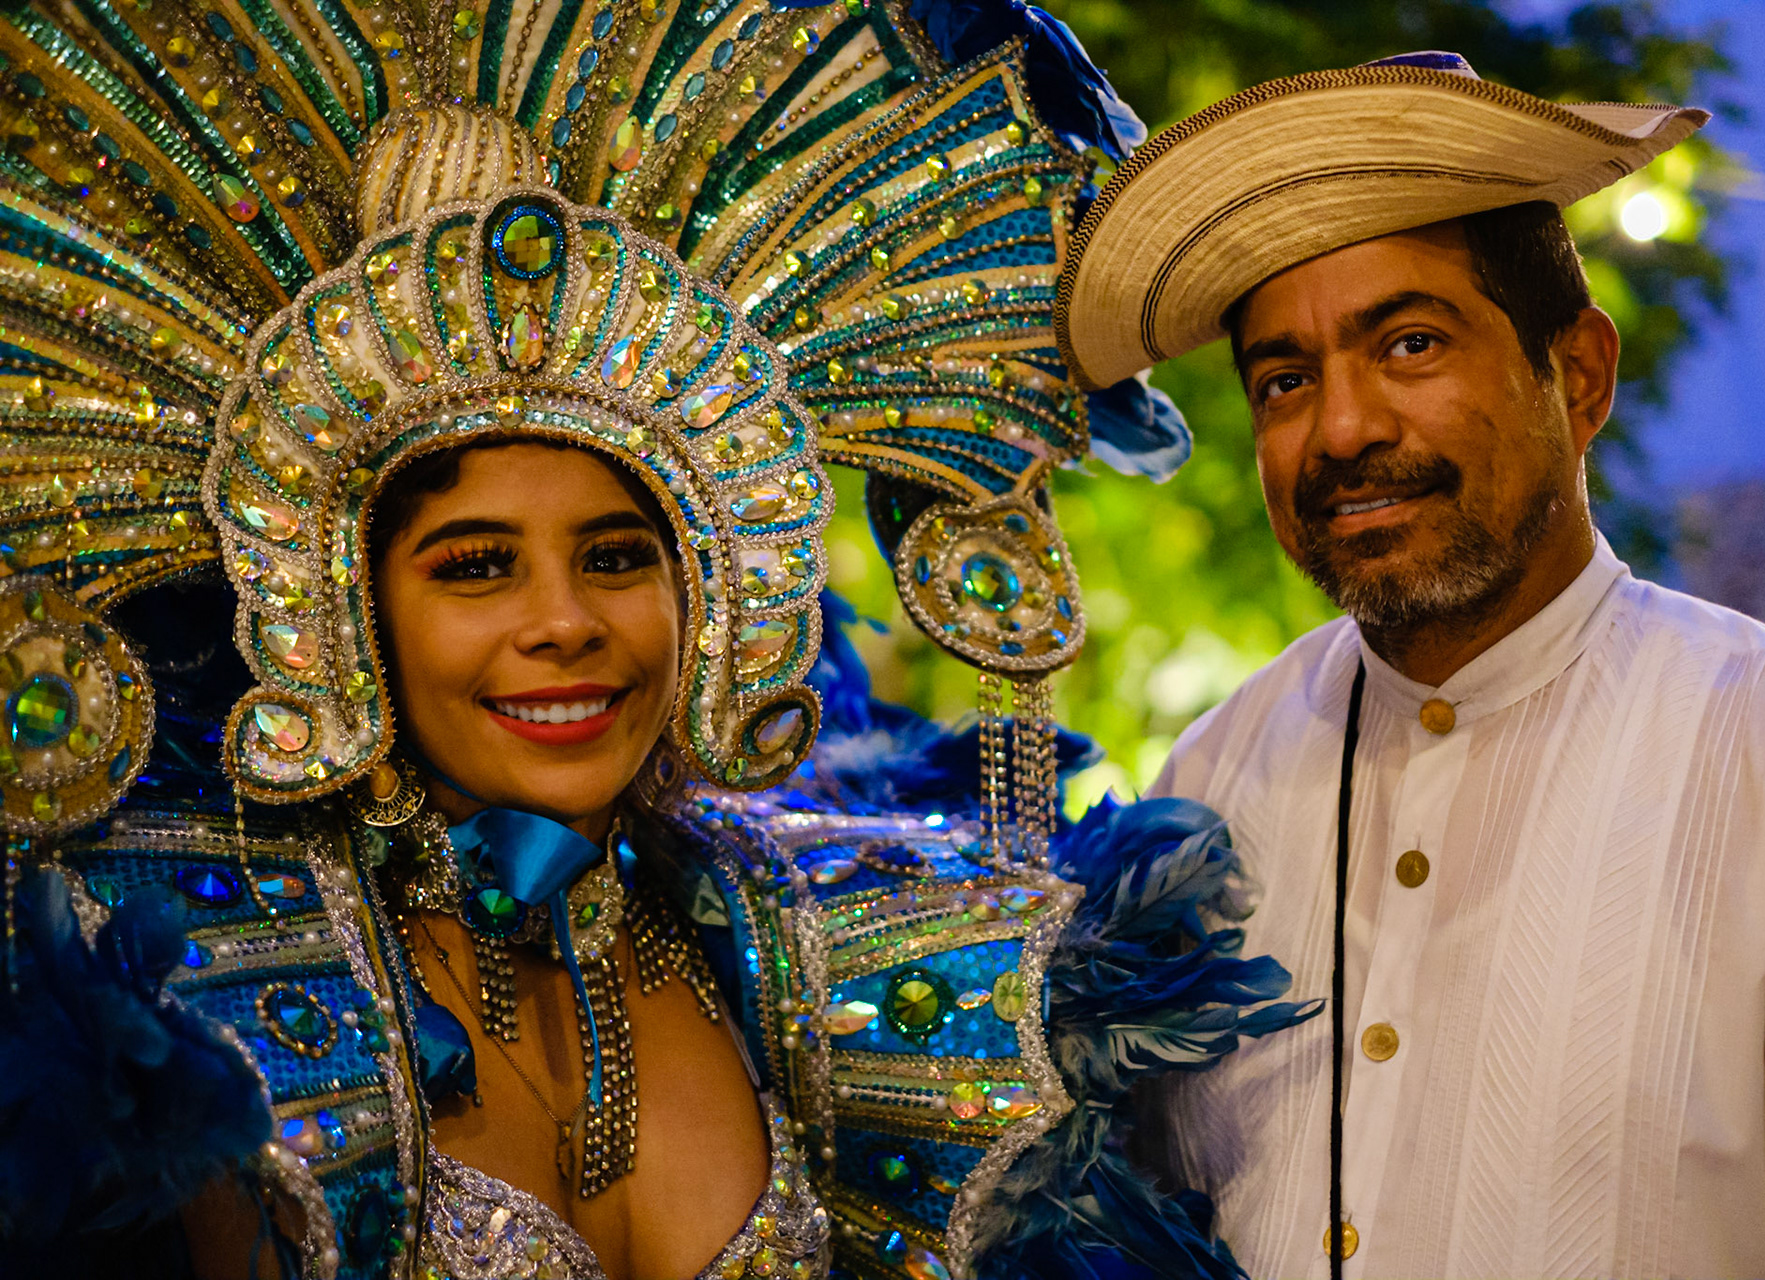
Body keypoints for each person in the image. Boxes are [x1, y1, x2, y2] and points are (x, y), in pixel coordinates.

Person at [0, 3, 1314, 1277]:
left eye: (619, 558)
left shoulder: (824, 940)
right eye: (476, 570)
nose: (567, 622)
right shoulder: (173, 996)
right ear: (345, 607)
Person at [1058, 50, 1765, 1280]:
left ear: (1577, 377)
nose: (1343, 428)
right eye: (1286, 381)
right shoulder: (1213, 777)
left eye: (1409, 344)